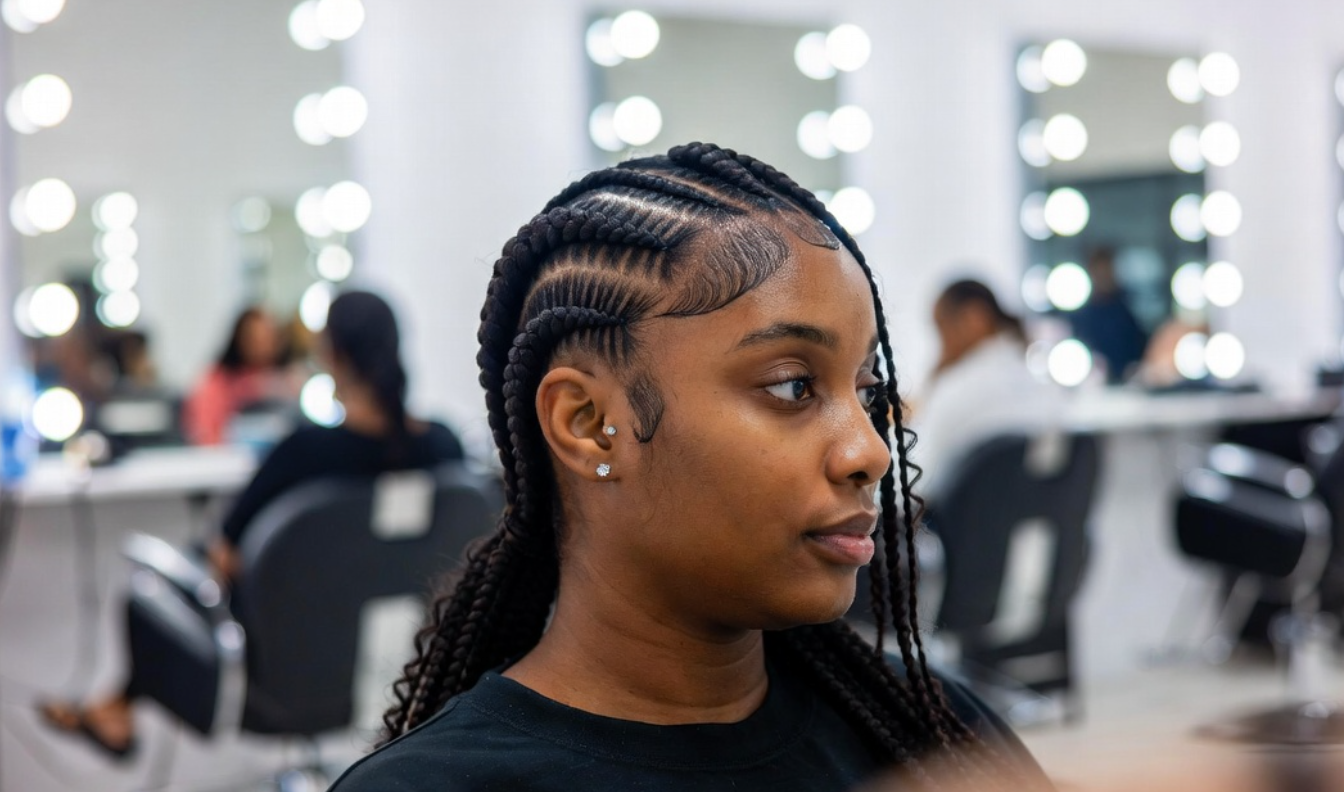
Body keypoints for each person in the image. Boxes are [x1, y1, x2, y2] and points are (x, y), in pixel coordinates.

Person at [329, 144, 1050, 791]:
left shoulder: (933, 732)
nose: (869, 451)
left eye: (867, 393)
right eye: (794, 386)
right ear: (588, 427)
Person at [38, 290, 465, 758]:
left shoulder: (303, 454)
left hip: (285, 672)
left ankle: (114, 707)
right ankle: (113, 705)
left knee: (161, 593)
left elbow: (225, 555)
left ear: (332, 354)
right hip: (407, 665)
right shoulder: (444, 449)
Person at [909, 279, 1065, 500]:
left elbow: (916, 485)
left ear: (975, 318)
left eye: (942, 328)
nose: (941, 344)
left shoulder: (957, 390)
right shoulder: (1042, 387)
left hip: (963, 529)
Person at [182, 306, 290, 445]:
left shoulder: (288, 378)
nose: (263, 345)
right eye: (254, 338)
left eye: (269, 337)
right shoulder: (217, 382)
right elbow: (205, 434)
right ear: (239, 338)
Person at [1068, 247, 1148, 384]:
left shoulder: (1126, 311)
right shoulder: (1080, 317)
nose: (1103, 276)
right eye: (1099, 271)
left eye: (1107, 270)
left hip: (1128, 384)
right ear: (1091, 273)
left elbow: (1139, 349)